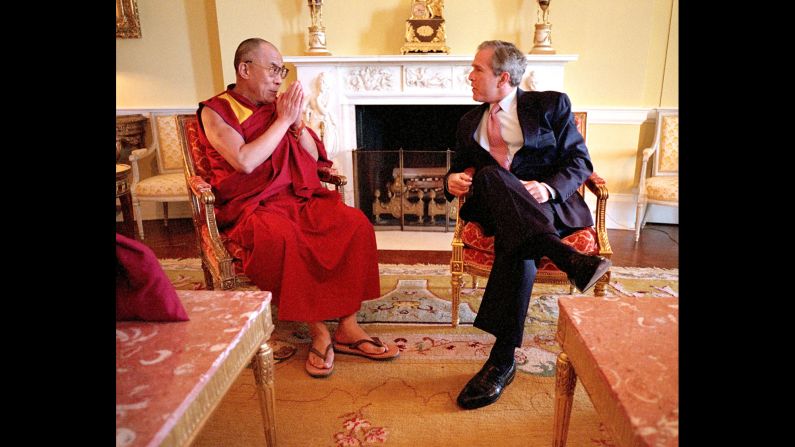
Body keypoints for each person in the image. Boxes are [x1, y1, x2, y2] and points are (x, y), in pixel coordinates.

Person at [196, 38, 399, 378]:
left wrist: (296, 124)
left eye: (282, 71)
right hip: (253, 207)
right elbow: (244, 162)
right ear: (245, 69)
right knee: (285, 238)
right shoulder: (217, 111)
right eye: (273, 70)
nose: (279, 78)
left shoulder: (277, 109)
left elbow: (315, 155)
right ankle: (319, 330)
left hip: (299, 197)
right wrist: (281, 121)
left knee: (355, 223)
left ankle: (348, 326)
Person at [444, 40, 611, 409]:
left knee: (516, 240)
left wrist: (549, 188)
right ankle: (568, 259)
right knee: (489, 177)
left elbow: (580, 162)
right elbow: (456, 168)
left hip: (543, 207)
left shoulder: (550, 105)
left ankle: (501, 361)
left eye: (477, 69)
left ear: (503, 78)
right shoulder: (469, 121)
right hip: (494, 203)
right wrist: (451, 181)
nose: (469, 76)